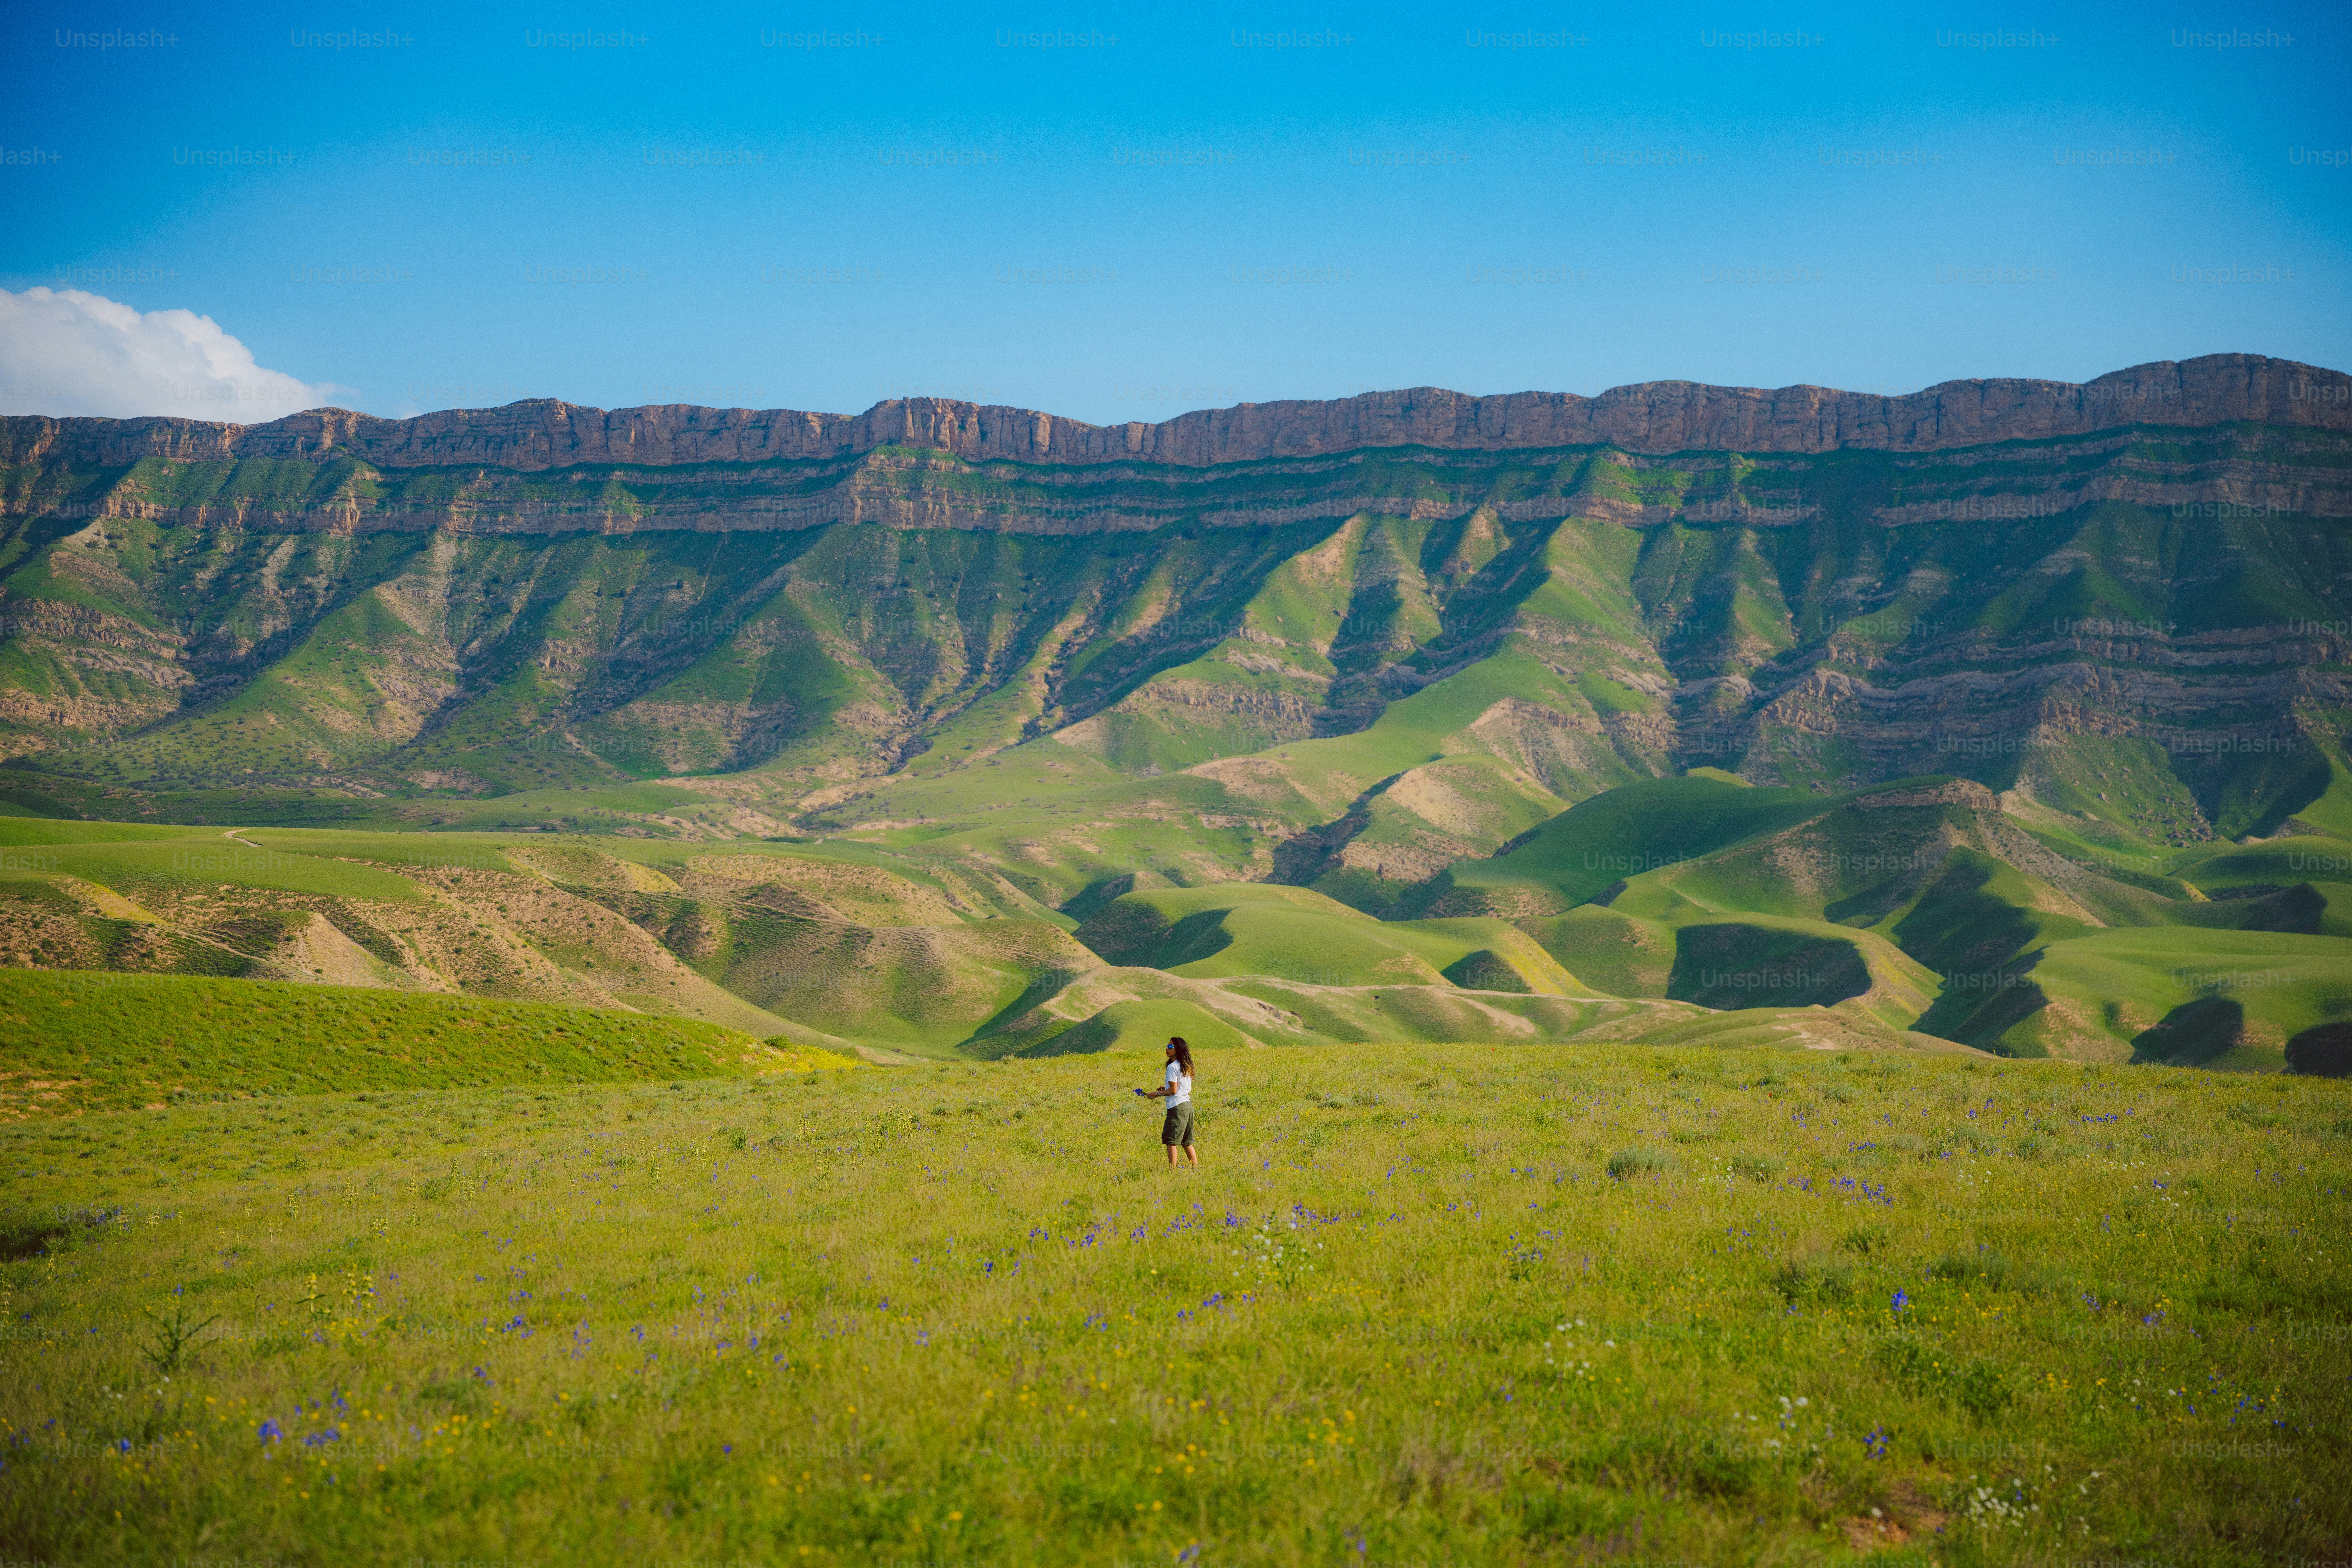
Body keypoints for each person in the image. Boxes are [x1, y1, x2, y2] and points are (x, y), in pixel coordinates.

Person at [1136, 1036, 1197, 1167]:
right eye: (1167, 1047)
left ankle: (1172, 1172)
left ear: (1178, 1049)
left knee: (1171, 1141)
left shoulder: (1173, 1067)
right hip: (1188, 1106)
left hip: (1177, 1108)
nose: (1167, 1049)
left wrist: (1157, 1094)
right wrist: (1166, 1089)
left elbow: (1174, 1091)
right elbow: (1185, 1090)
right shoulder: (1186, 1066)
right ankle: (1196, 1170)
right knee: (1187, 1142)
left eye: (1170, 1047)